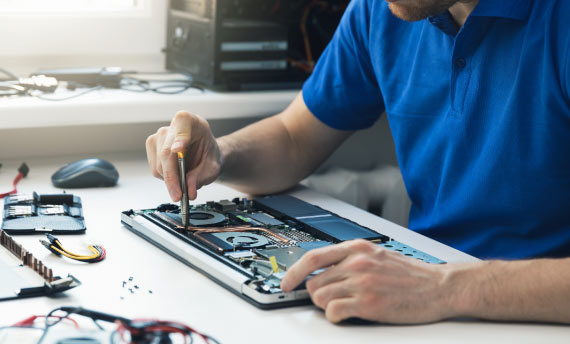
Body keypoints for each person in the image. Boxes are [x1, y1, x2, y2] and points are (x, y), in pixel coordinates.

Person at [145, 0, 570, 325]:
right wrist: (220, 154)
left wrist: (444, 287)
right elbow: (294, 139)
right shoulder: (378, 11)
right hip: (431, 304)